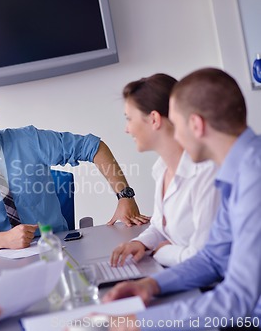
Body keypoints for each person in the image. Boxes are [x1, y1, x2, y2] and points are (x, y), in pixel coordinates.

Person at [103, 68, 261, 330]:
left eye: (177, 125)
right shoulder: (237, 172)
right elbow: (213, 258)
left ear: (196, 125)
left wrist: (138, 323)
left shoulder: (253, 177)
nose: (174, 136)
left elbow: (237, 298)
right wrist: (151, 285)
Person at [0, 83, 149, 253]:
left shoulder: (29, 140)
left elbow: (93, 147)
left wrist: (125, 196)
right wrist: (5, 239)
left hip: (57, 248)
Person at [110, 74, 219, 267]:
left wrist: (161, 252)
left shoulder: (206, 173)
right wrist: (140, 243)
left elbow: (203, 257)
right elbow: (160, 226)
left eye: (129, 119)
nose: (127, 129)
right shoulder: (161, 169)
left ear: (154, 119)